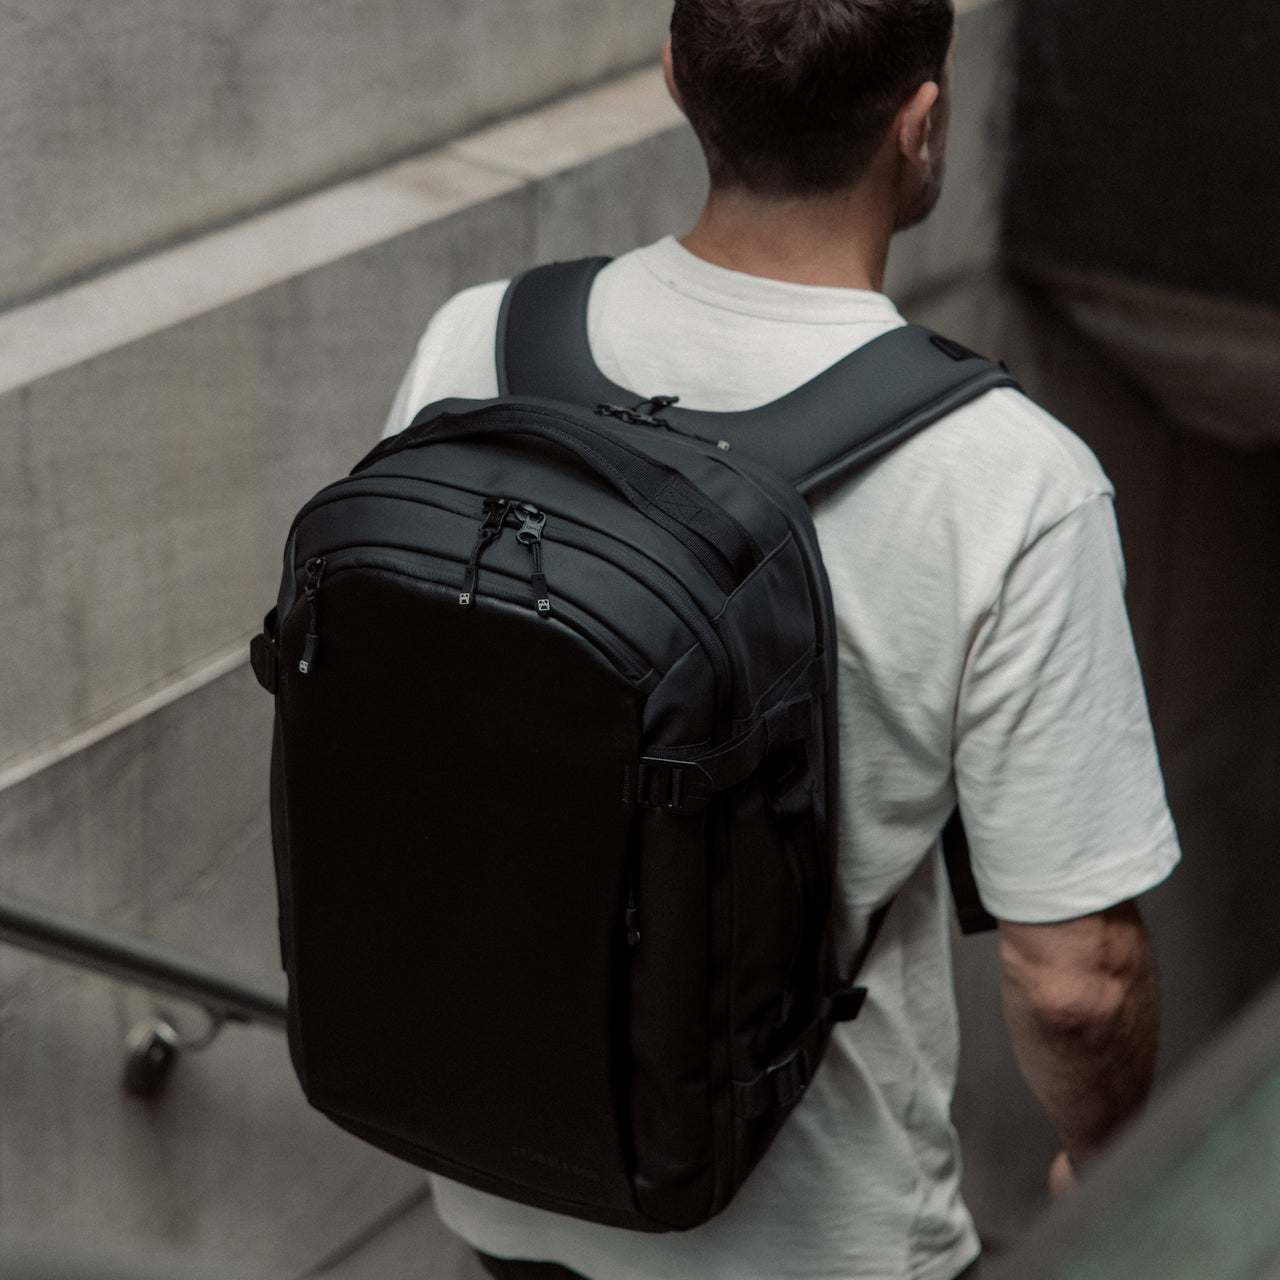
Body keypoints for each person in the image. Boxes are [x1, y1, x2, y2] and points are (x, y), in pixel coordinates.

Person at [382, 2, 1180, 1276]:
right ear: (918, 128)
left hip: (506, 1189)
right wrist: (1116, 1155)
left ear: (672, 78)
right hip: (820, 1243)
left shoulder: (478, 339)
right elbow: (1074, 982)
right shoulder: (1008, 476)